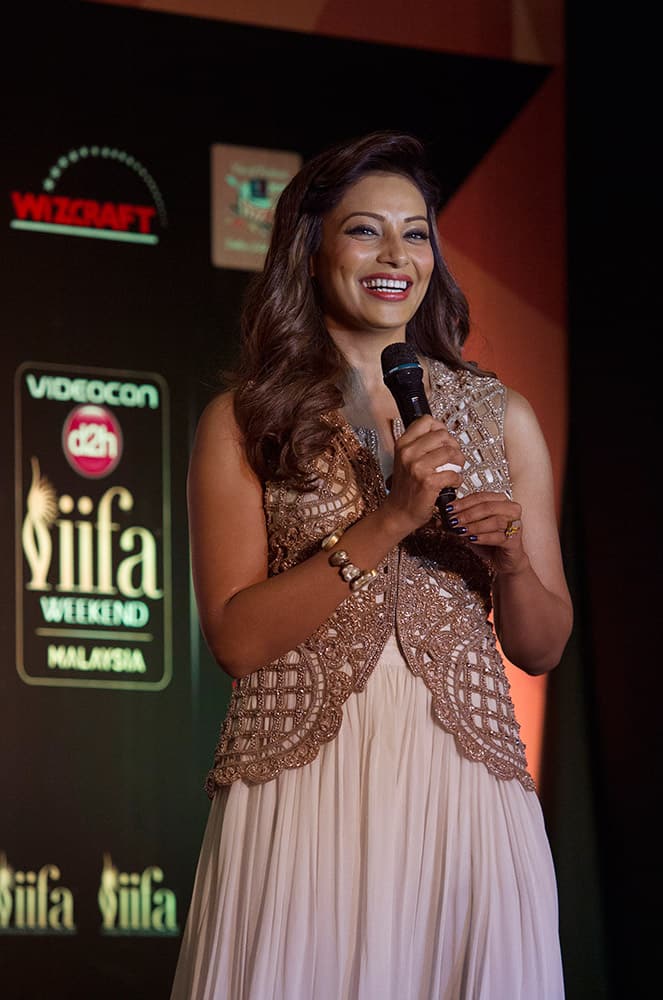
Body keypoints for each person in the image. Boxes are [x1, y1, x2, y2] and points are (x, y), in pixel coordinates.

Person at [170, 130, 573, 1000]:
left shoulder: (502, 415)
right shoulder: (243, 420)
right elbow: (236, 640)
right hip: (304, 790)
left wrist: (506, 562)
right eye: (364, 231)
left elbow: (542, 647)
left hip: (463, 792)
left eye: (415, 232)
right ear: (310, 252)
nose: (396, 256)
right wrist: (389, 519)